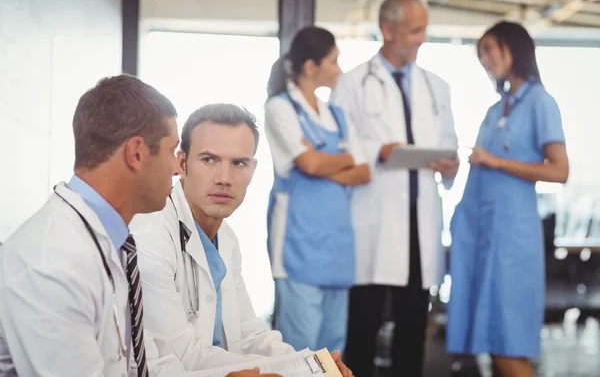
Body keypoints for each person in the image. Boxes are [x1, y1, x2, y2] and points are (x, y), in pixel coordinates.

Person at [129, 104, 352, 377]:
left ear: (253, 169)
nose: (225, 178)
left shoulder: (226, 239)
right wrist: (301, 373)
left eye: (238, 163)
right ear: (182, 163)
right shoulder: (151, 235)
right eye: (209, 159)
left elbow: (249, 333)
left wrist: (315, 365)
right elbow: (182, 356)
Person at [0, 75, 180, 377]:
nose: (177, 168)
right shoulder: (51, 262)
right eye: (171, 150)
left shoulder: (108, 242)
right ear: (136, 153)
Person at [330, 0, 459, 377]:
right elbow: (341, 145)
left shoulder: (437, 86)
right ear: (388, 30)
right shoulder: (352, 84)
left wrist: (449, 163)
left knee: (412, 329)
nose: (422, 38)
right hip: (375, 217)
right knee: (363, 329)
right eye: (415, 30)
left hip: (420, 223)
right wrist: (377, 150)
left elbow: (449, 139)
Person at [446, 21, 569, 377]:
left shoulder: (540, 102)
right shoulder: (495, 110)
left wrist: (496, 161)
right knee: (491, 341)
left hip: (513, 242)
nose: (485, 59)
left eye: (490, 50)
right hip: (483, 237)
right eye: (481, 52)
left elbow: (559, 170)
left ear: (514, 48)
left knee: (508, 345)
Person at [264, 26, 370, 357]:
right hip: (299, 245)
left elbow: (364, 171)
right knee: (300, 353)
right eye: (334, 61)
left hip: (336, 248)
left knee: (333, 353)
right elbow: (309, 165)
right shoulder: (280, 108)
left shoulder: (336, 115)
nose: (339, 70)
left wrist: (329, 162)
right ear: (312, 67)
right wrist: (343, 159)